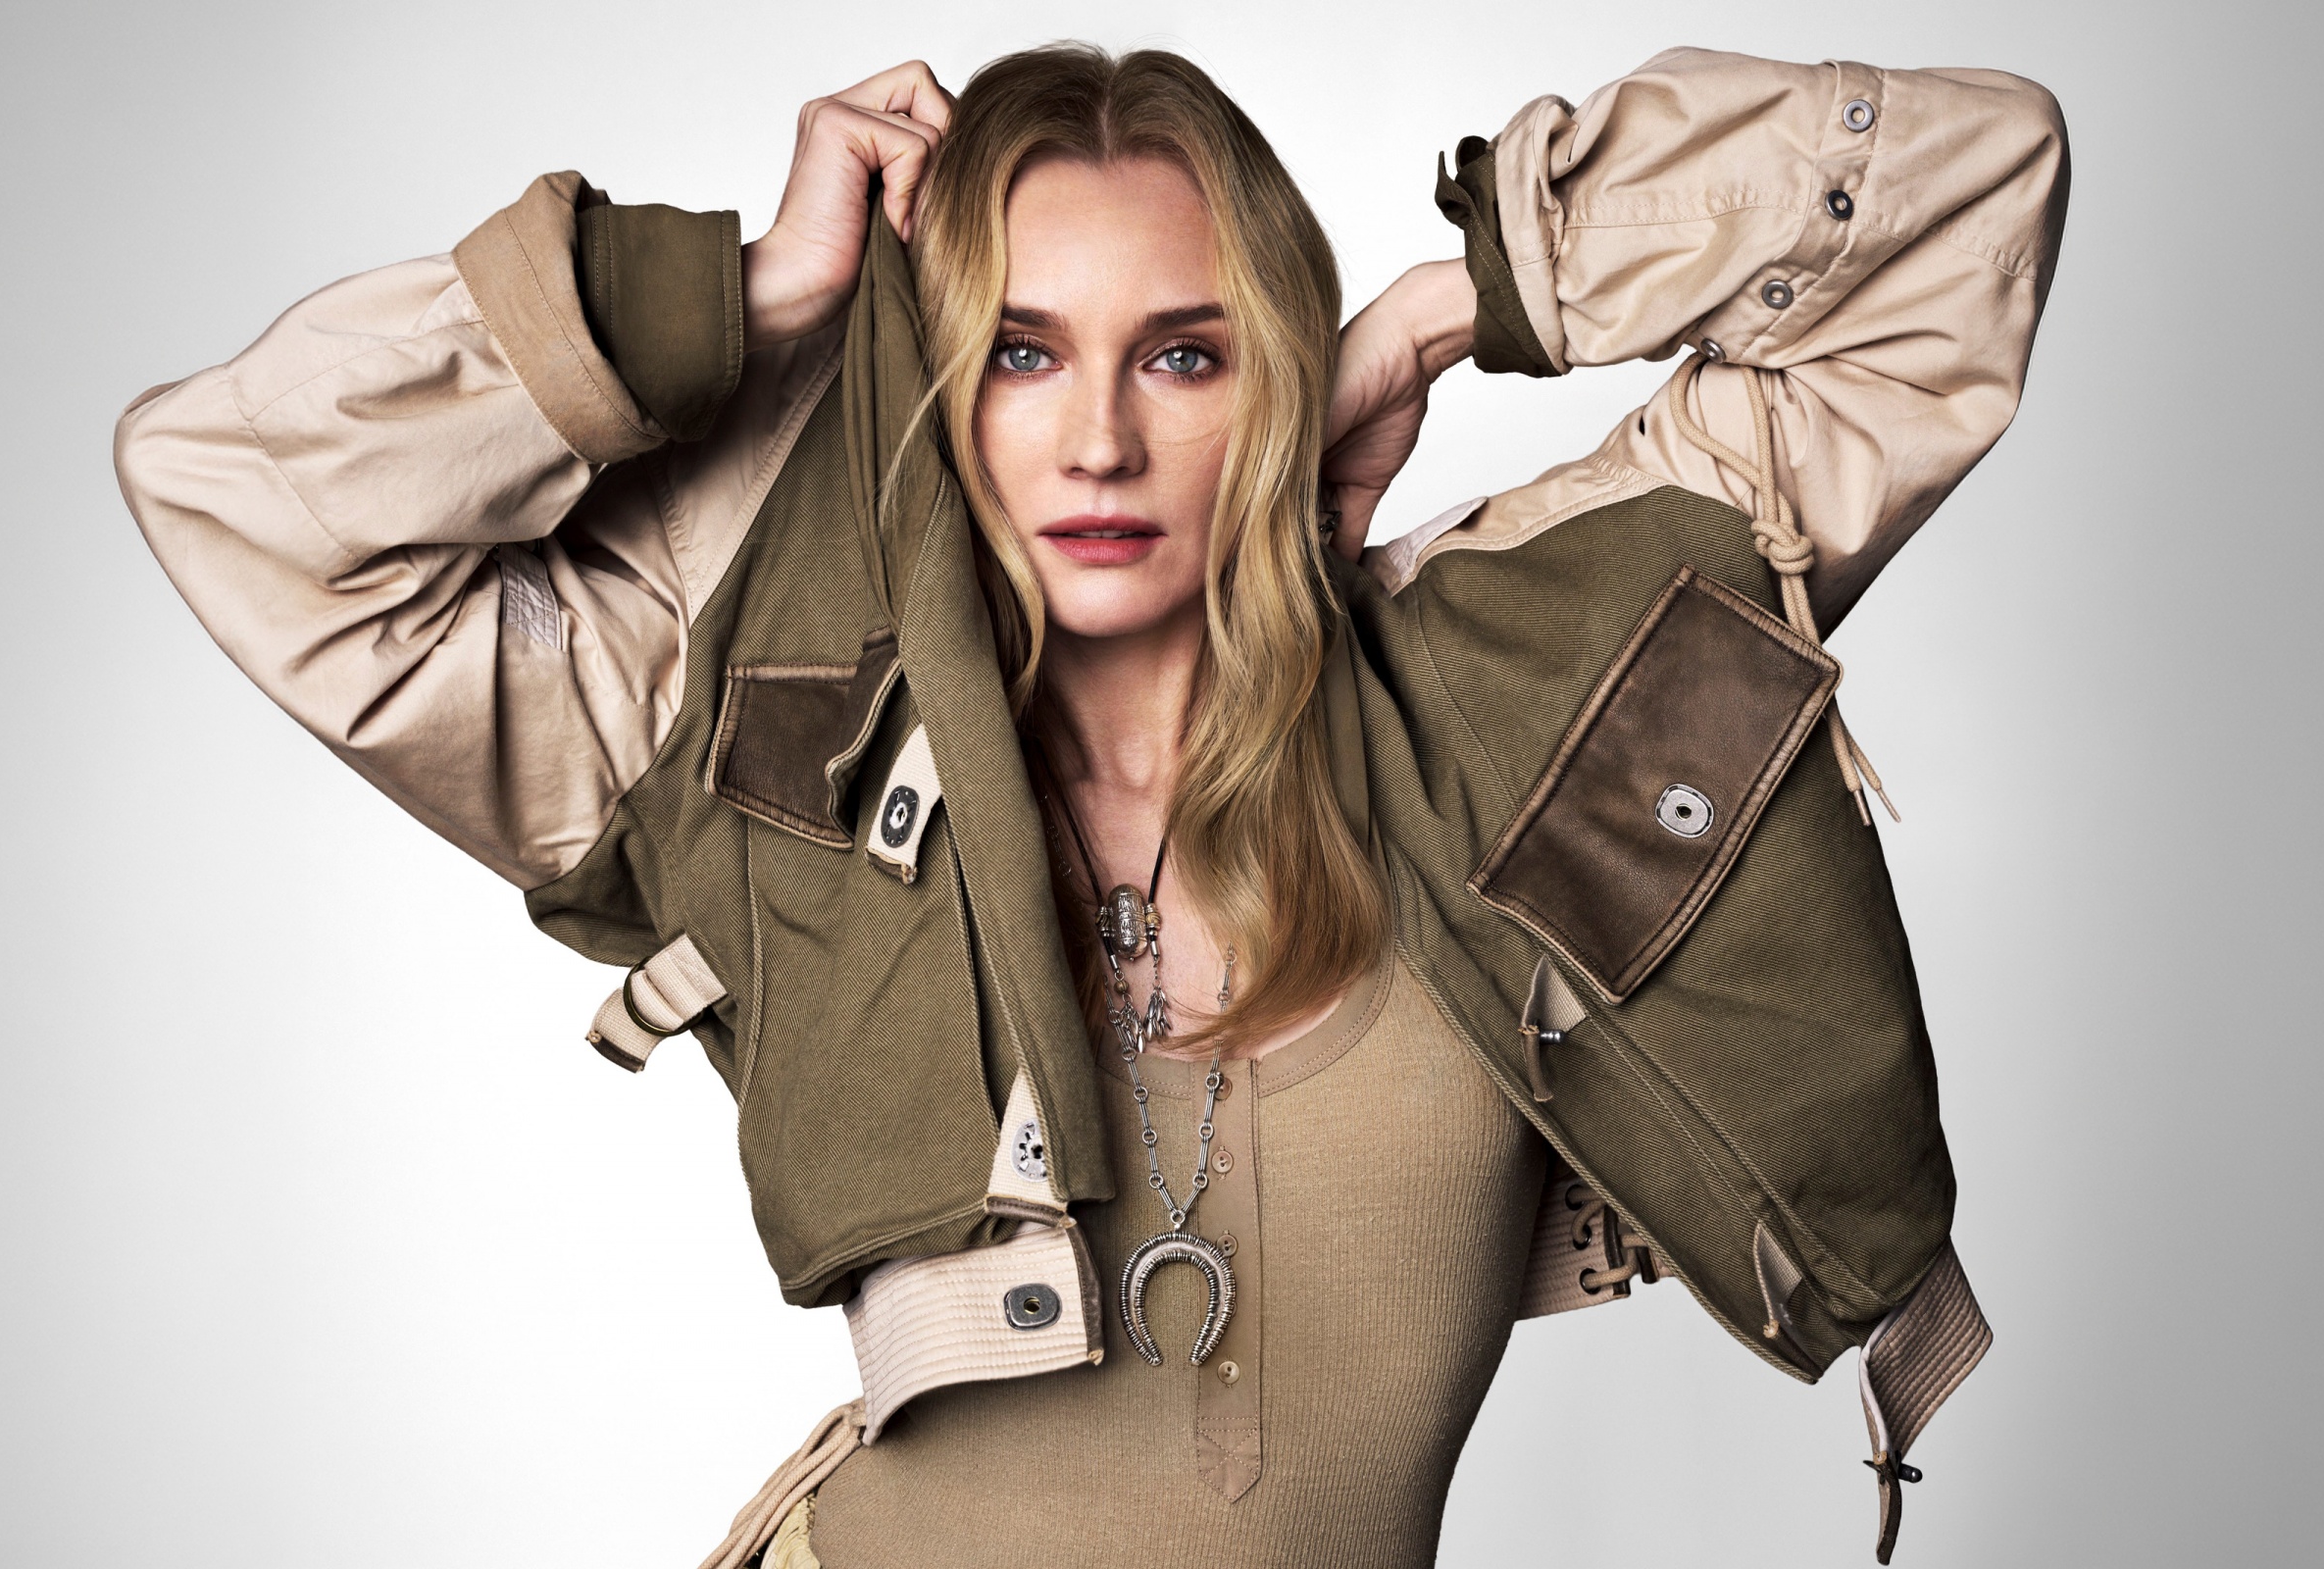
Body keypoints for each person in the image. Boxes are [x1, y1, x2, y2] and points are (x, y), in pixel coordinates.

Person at [116, 40, 2065, 1569]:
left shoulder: (1527, 692)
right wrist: (743, 296)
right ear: (935, 385)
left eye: (1188, 355)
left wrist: (1456, 302)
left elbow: (1972, 186)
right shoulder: (776, 745)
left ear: (1275, 375)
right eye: (1021, 352)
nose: (1104, 437)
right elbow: (231, 486)